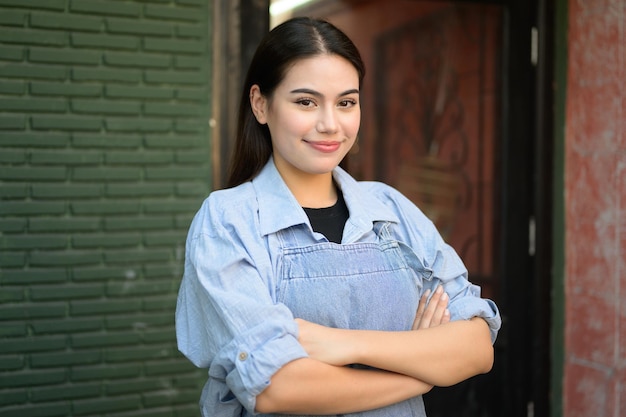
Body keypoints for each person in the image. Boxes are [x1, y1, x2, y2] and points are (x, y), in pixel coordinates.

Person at [175, 16, 501, 417]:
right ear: (261, 104)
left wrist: (344, 343)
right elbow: (277, 388)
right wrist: (422, 372)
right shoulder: (229, 221)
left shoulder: (390, 211)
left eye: (346, 102)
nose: (330, 125)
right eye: (306, 102)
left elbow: (476, 346)